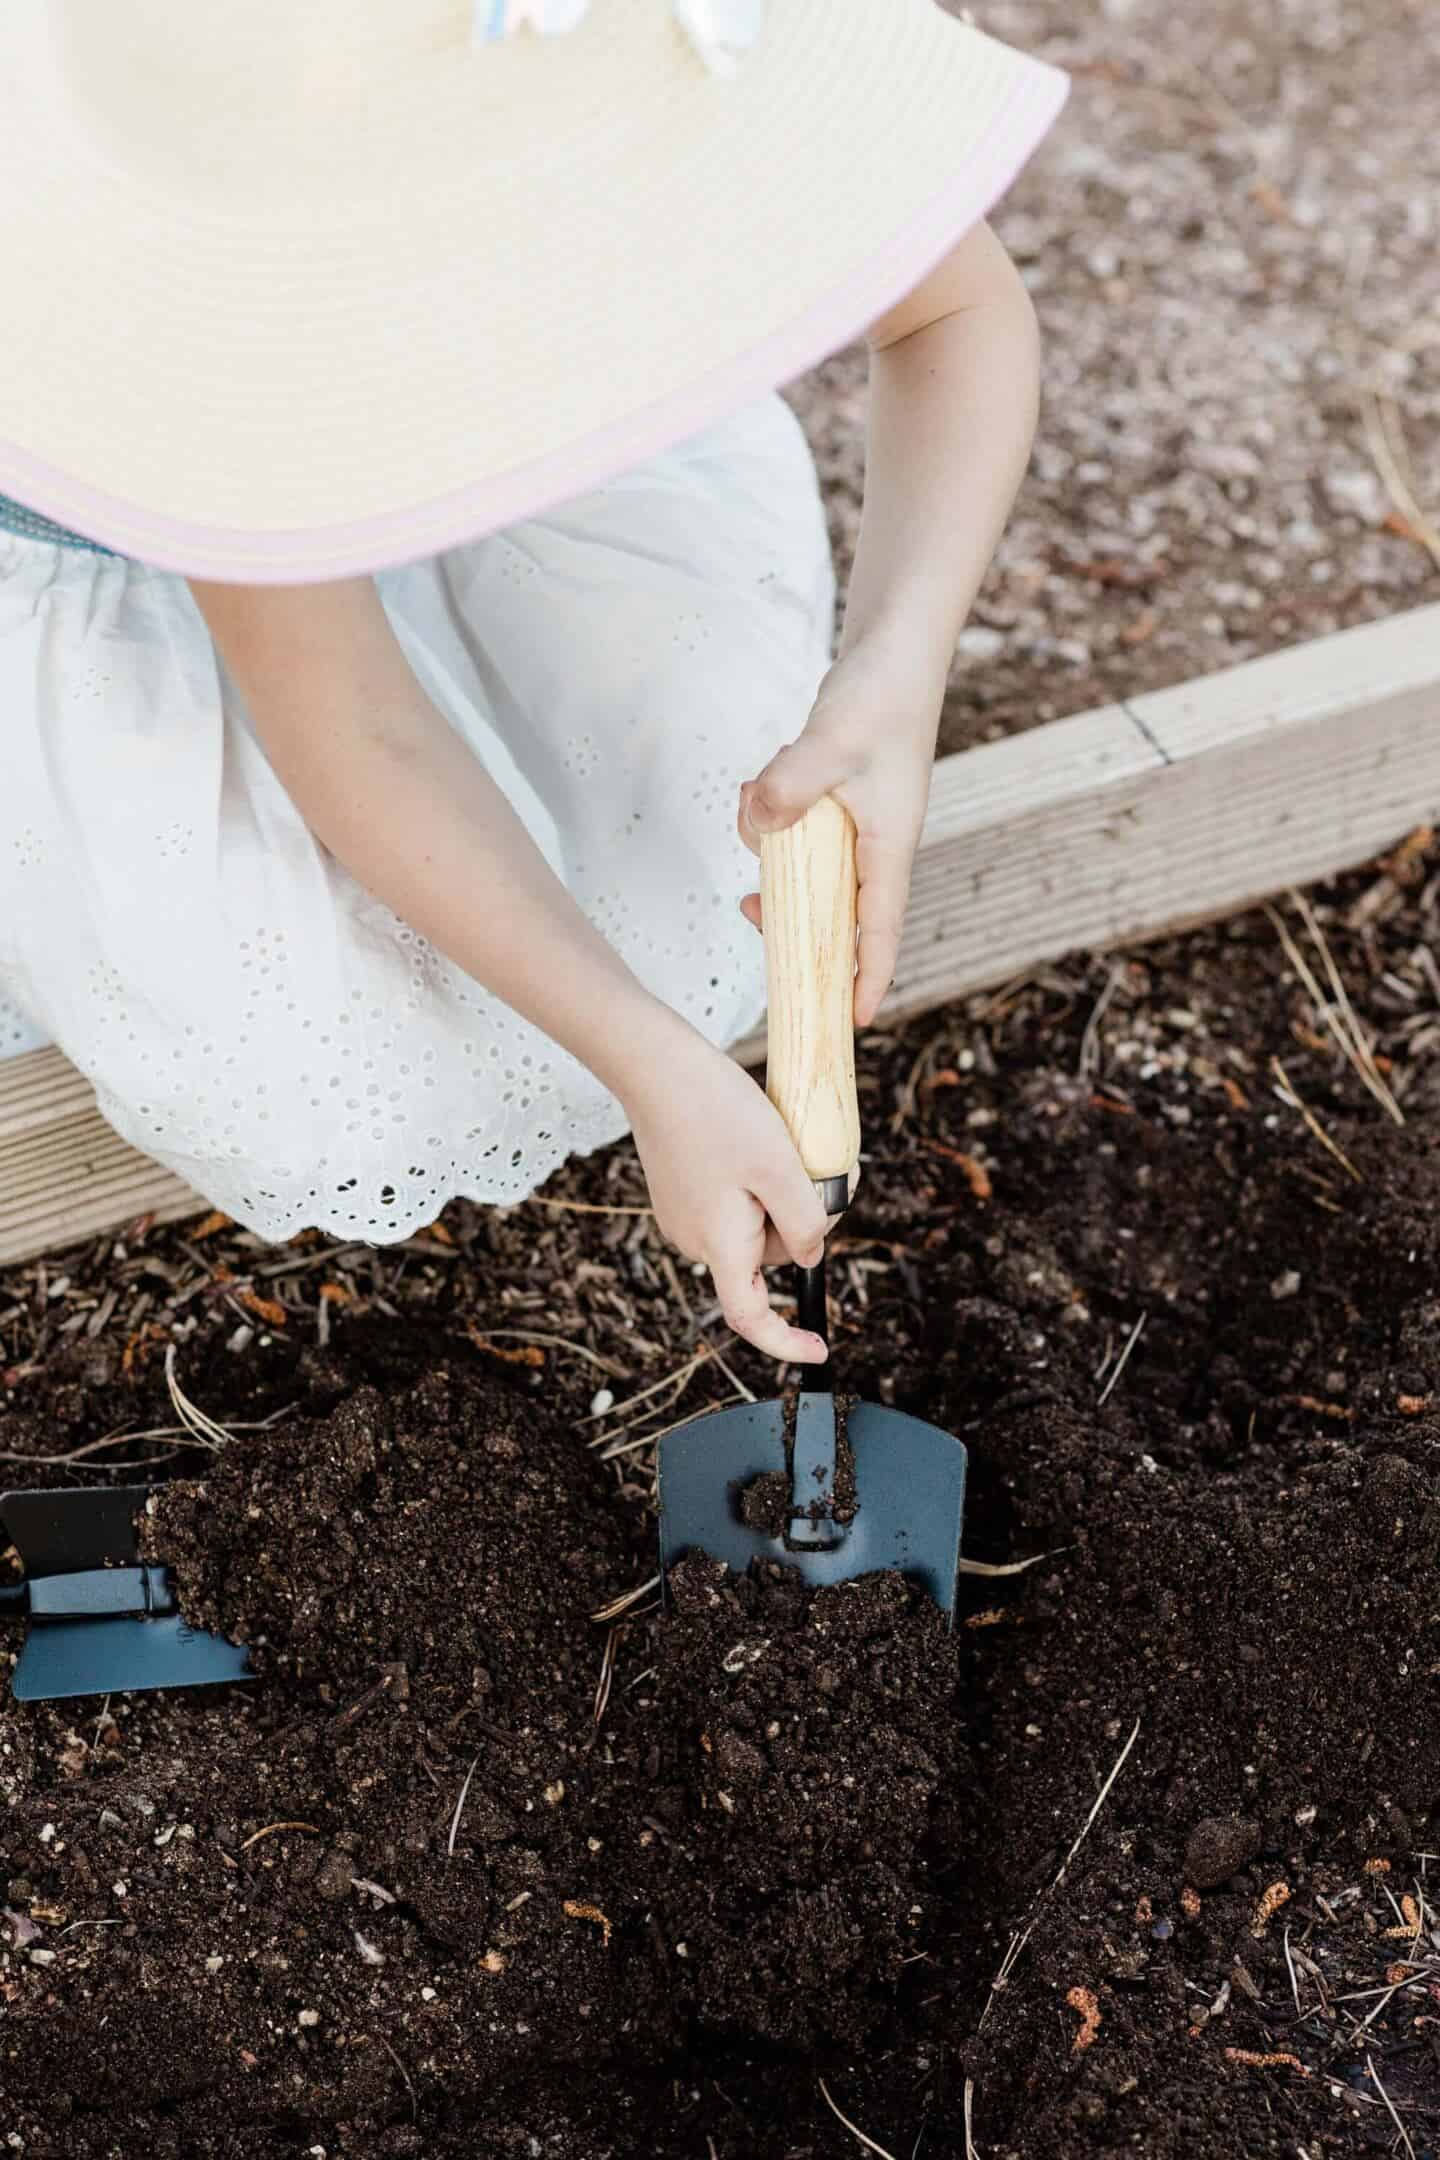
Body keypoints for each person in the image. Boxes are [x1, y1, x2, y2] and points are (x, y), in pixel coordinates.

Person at [0, 0, 1065, 1363]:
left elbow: (957, 313)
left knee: (679, 810)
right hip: (165, 582)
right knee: (308, 1053)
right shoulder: (208, 258)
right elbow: (358, 721)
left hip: (442, 465)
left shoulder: (622, 44)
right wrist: (653, 1064)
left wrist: (894, 686)